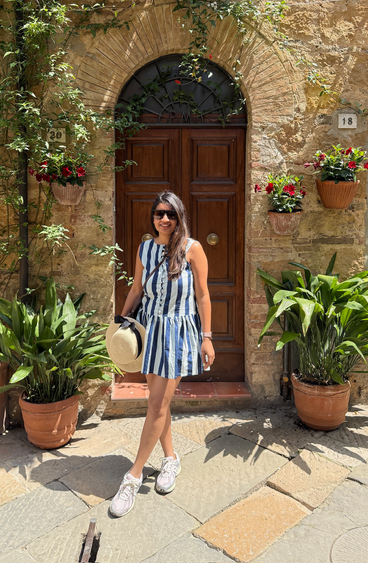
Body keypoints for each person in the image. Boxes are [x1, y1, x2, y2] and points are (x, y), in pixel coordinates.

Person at [109, 191, 215, 517]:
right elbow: (137, 289)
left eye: (170, 213)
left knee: (156, 404)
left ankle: (133, 476)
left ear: (179, 216)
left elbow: (203, 295)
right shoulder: (145, 248)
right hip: (150, 330)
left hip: (179, 332)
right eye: (159, 213)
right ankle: (171, 459)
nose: (164, 219)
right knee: (159, 403)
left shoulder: (193, 249)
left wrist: (207, 338)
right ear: (153, 217)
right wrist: (120, 321)